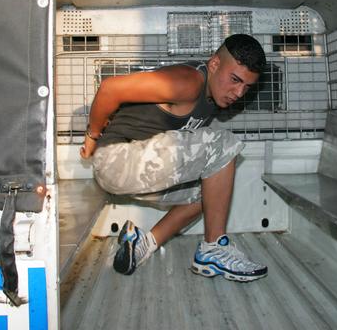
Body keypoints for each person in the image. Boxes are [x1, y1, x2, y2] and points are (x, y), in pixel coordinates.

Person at [80, 34, 268, 282]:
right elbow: (110, 88)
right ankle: (214, 249)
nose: (239, 92)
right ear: (214, 64)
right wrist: (93, 136)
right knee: (224, 143)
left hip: (139, 166)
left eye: (246, 87)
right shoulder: (188, 81)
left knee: (212, 194)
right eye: (235, 80)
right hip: (117, 158)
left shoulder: (213, 99)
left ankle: (144, 244)